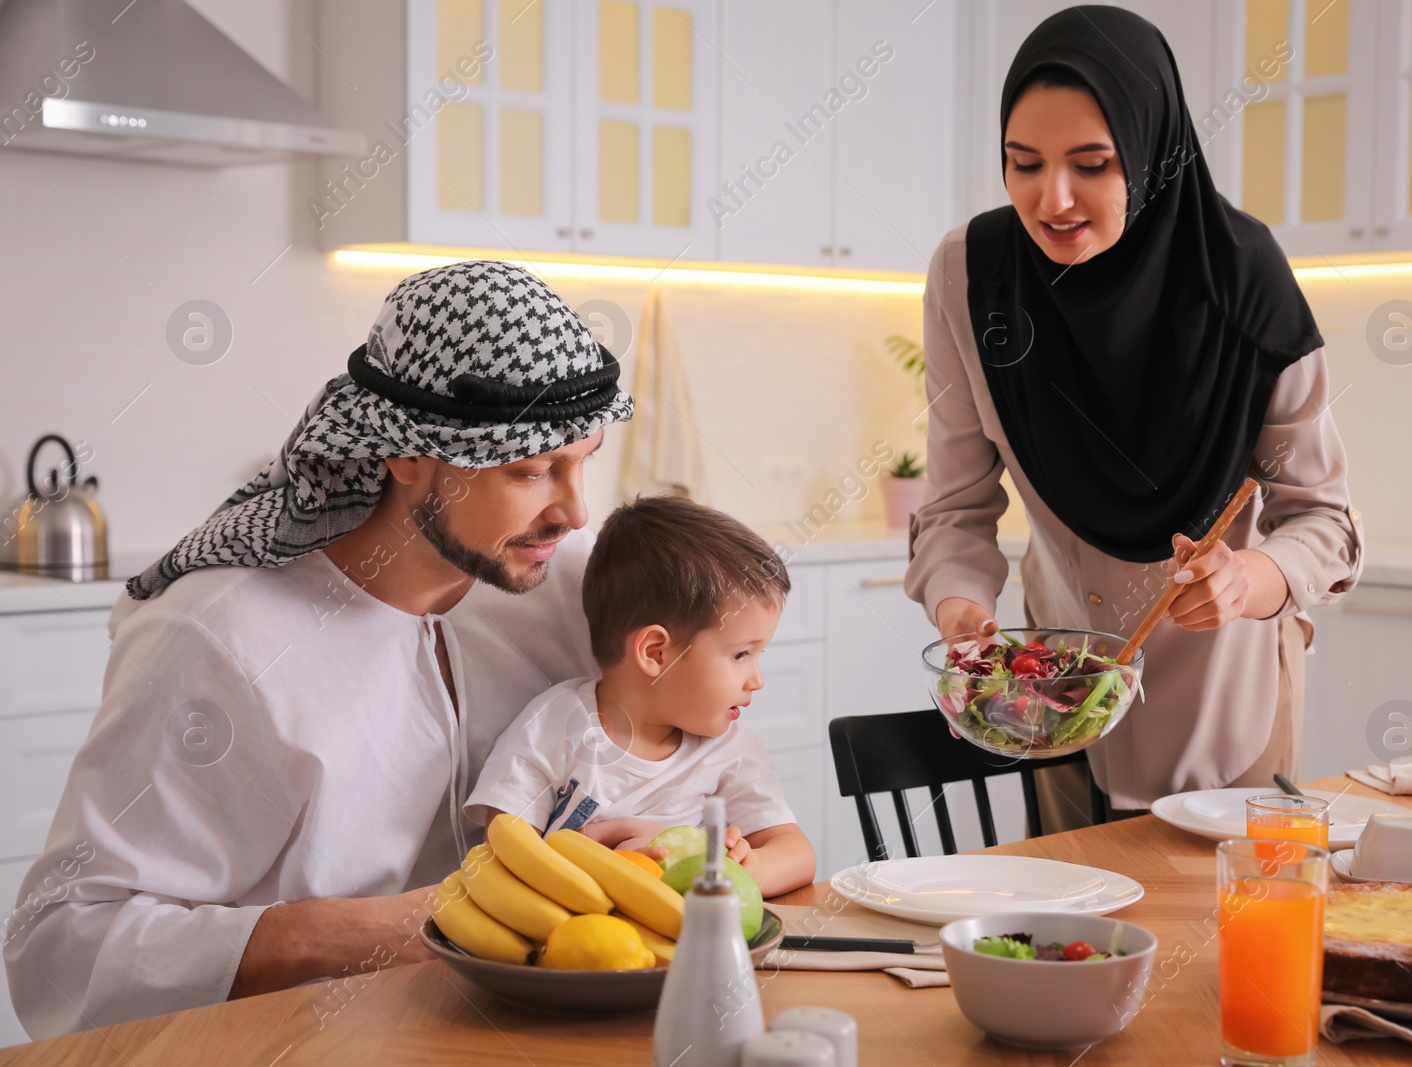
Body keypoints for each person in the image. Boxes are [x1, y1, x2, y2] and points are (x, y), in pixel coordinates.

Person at [4, 261, 634, 1037]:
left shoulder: (573, 582)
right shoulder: (217, 638)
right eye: (530, 470)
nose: (573, 510)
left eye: (584, 461)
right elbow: (60, 942)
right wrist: (371, 931)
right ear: (406, 456)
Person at [904, 7, 1363, 821]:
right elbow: (955, 508)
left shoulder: (1241, 277)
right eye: (1023, 163)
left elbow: (1323, 519)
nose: (1053, 198)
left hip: (1229, 689)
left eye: (1092, 164)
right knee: (1073, 932)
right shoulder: (970, 276)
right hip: (1059, 697)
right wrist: (963, 608)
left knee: (1221, 934)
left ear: (1150, 153)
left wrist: (1246, 579)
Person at [467, 495, 816, 898]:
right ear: (655, 653)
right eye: (740, 654)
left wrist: (741, 871)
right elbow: (499, 862)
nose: (756, 680)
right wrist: (586, 866)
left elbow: (798, 853)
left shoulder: (731, 750)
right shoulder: (552, 729)